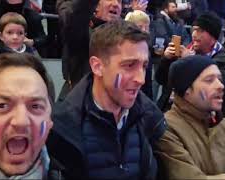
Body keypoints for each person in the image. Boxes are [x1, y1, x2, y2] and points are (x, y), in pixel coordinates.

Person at [47, 20, 167, 179]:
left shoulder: (151, 119)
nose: (141, 79)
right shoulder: (61, 128)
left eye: (144, 66)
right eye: (129, 65)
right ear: (97, 66)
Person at [155, 55, 225, 180]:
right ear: (186, 89)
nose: (220, 85)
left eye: (219, 79)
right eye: (209, 80)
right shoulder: (167, 129)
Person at [155, 11, 225, 117]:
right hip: (170, 109)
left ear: (213, 36)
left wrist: (191, 61)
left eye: (200, 30)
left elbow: (221, 85)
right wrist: (166, 60)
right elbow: (161, 79)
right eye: (193, 30)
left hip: (204, 115)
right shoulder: (185, 50)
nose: (194, 34)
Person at [125, 10, 153, 99]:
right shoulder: (124, 50)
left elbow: (148, 82)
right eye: (140, 27)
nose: (144, 30)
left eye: (147, 27)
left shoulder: (147, 49)